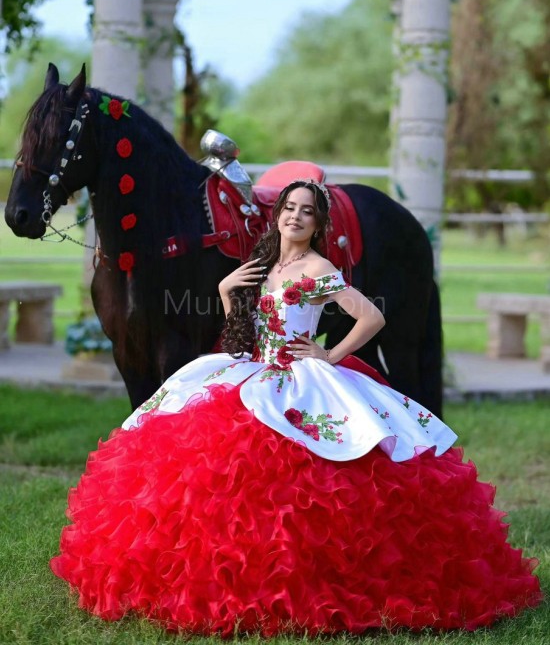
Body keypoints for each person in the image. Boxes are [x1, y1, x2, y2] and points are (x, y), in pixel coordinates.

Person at [51, 180, 542, 635]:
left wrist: (329, 354)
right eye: (289, 208)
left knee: (315, 471)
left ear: (318, 223)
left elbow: (370, 316)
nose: (296, 217)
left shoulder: (317, 268)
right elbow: (246, 331)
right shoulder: (267, 266)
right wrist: (227, 293)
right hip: (256, 366)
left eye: (307, 212)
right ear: (278, 215)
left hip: (299, 375)